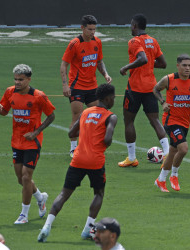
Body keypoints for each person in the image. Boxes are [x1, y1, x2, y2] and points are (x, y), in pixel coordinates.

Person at [38, 84, 117, 243]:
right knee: (98, 193)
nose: (114, 100)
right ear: (107, 98)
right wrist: (100, 144)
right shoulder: (111, 116)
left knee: (64, 194)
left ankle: (46, 226)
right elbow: (108, 139)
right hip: (95, 160)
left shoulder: (86, 112)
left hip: (78, 159)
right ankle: (88, 229)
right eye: (113, 98)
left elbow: (71, 133)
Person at [0, 64, 55, 224]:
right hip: (16, 140)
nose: (17, 82)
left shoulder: (38, 96)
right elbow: (5, 111)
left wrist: (35, 132)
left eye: (20, 79)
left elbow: (51, 116)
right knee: (21, 179)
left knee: (27, 177)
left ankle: (24, 215)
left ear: (28, 79)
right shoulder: (9, 92)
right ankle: (40, 198)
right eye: (15, 79)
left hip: (32, 142)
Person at [118, 13, 169, 167]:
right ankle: (167, 155)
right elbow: (163, 63)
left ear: (134, 25)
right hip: (151, 87)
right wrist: (148, 66)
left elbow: (143, 58)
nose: (130, 27)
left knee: (129, 121)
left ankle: (132, 157)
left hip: (135, 89)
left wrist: (126, 67)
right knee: (155, 121)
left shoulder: (134, 41)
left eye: (131, 24)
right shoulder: (153, 41)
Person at [153, 54, 190, 192]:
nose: (187, 68)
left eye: (189, 65)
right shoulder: (169, 79)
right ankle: (174, 176)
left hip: (185, 122)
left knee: (172, 152)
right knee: (183, 149)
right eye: (184, 65)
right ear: (178, 66)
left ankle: (161, 180)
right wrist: (163, 102)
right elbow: (155, 89)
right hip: (171, 120)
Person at [61, 14, 112, 158]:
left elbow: (99, 62)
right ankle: (73, 148)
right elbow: (64, 65)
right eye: (90, 29)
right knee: (77, 116)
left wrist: (106, 74)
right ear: (82, 28)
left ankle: (91, 145)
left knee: (95, 117)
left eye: (94, 29)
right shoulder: (74, 44)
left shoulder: (97, 42)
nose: (92, 32)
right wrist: (65, 85)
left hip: (92, 87)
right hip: (76, 86)